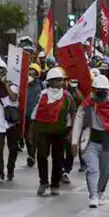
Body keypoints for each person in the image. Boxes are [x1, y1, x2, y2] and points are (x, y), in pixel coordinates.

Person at [72, 74, 109, 208]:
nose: (101, 92)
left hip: (107, 142)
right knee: (92, 169)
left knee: (105, 171)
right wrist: (74, 142)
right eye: (98, 90)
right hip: (90, 141)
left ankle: (100, 192)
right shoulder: (86, 104)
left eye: (104, 90)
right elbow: (78, 122)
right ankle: (93, 195)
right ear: (93, 90)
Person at [29, 67, 73, 196]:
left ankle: (55, 184)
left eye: (61, 80)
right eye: (57, 80)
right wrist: (31, 132)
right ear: (50, 81)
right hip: (43, 131)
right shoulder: (42, 95)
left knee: (57, 158)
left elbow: (73, 112)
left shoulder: (67, 96)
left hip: (60, 132)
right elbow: (34, 114)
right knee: (42, 156)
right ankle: (43, 182)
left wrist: (71, 131)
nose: (60, 83)